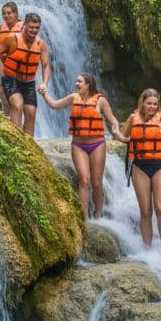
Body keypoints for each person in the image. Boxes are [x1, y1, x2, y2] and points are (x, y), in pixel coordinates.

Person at [39, 73, 126, 218]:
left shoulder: (100, 100)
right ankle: (84, 217)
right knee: (84, 180)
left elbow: (113, 120)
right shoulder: (73, 98)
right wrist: (44, 93)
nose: (76, 84)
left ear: (88, 85)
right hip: (78, 145)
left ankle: (98, 212)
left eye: (79, 82)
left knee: (96, 182)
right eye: (76, 81)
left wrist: (116, 129)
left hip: (97, 144)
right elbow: (54, 104)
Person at [120, 88, 161, 249]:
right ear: (142, 103)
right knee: (145, 211)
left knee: (160, 208)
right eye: (149, 103)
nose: (152, 107)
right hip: (139, 165)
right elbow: (123, 137)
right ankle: (148, 248)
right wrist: (114, 133)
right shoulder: (133, 118)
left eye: (155, 104)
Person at [0, 12, 50, 138]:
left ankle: (29, 146)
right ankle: (16, 141)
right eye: (31, 27)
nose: (34, 30)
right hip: (11, 79)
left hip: (29, 82)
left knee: (31, 113)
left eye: (37, 28)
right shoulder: (12, 38)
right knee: (17, 104)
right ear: (24, 25)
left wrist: (44, 83)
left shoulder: (41, 44)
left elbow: (46, 64)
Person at [0, 2, 23, 113]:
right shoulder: (2, 27)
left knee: (18, 90)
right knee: (2, 88)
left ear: (16, 14)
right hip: (3, 60)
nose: (6, 16)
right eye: (4, 13)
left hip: (18, 63)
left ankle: (18, 116)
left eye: (9, 13)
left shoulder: (24, 27)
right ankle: (7, 114)